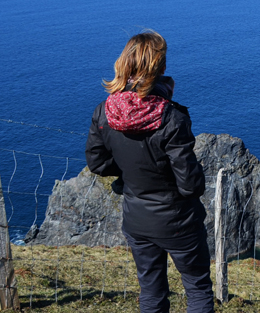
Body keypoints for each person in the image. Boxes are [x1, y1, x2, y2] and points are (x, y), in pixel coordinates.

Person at [86, 31, 214, 313]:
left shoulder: (105, 112)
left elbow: (97, 162)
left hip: (137, 218)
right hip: (179, 220)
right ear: (161, 67)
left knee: (151, 291)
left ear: (124, 63)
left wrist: (130, 175)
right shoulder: (171, 117)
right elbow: (190, 184)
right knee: (197, 288)